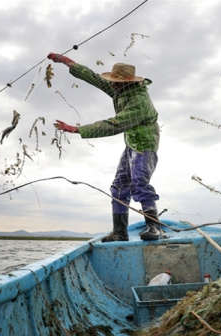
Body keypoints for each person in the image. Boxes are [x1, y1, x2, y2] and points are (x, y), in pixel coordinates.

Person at [47, 52, 161, 242]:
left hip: (145, 143)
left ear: (128, 82)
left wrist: (77, 129)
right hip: (131, 144)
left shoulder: (139, 102)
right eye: (112, 81)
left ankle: (154, 227)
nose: (112, 85)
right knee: (119, 186)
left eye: (116, 82)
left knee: (139, 182)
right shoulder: (120, 89)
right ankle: (120, 232)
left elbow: (115, 124)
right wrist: (70, 63)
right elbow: (94, 78)